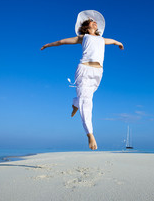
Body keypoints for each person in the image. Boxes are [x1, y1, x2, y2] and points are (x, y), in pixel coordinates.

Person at [40, 10, 124, 150]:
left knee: (85, 97)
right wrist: (48, 45)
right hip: (84, 70)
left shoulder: (101, 40)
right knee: (87, 102)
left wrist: (119, 43)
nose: (95, 22)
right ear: (86, 26)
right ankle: (90, 134)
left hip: (98, 72)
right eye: (92, 21)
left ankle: (75, 104)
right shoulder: (83, 38)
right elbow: (62, 42)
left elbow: (114, 41)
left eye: (95, 21)